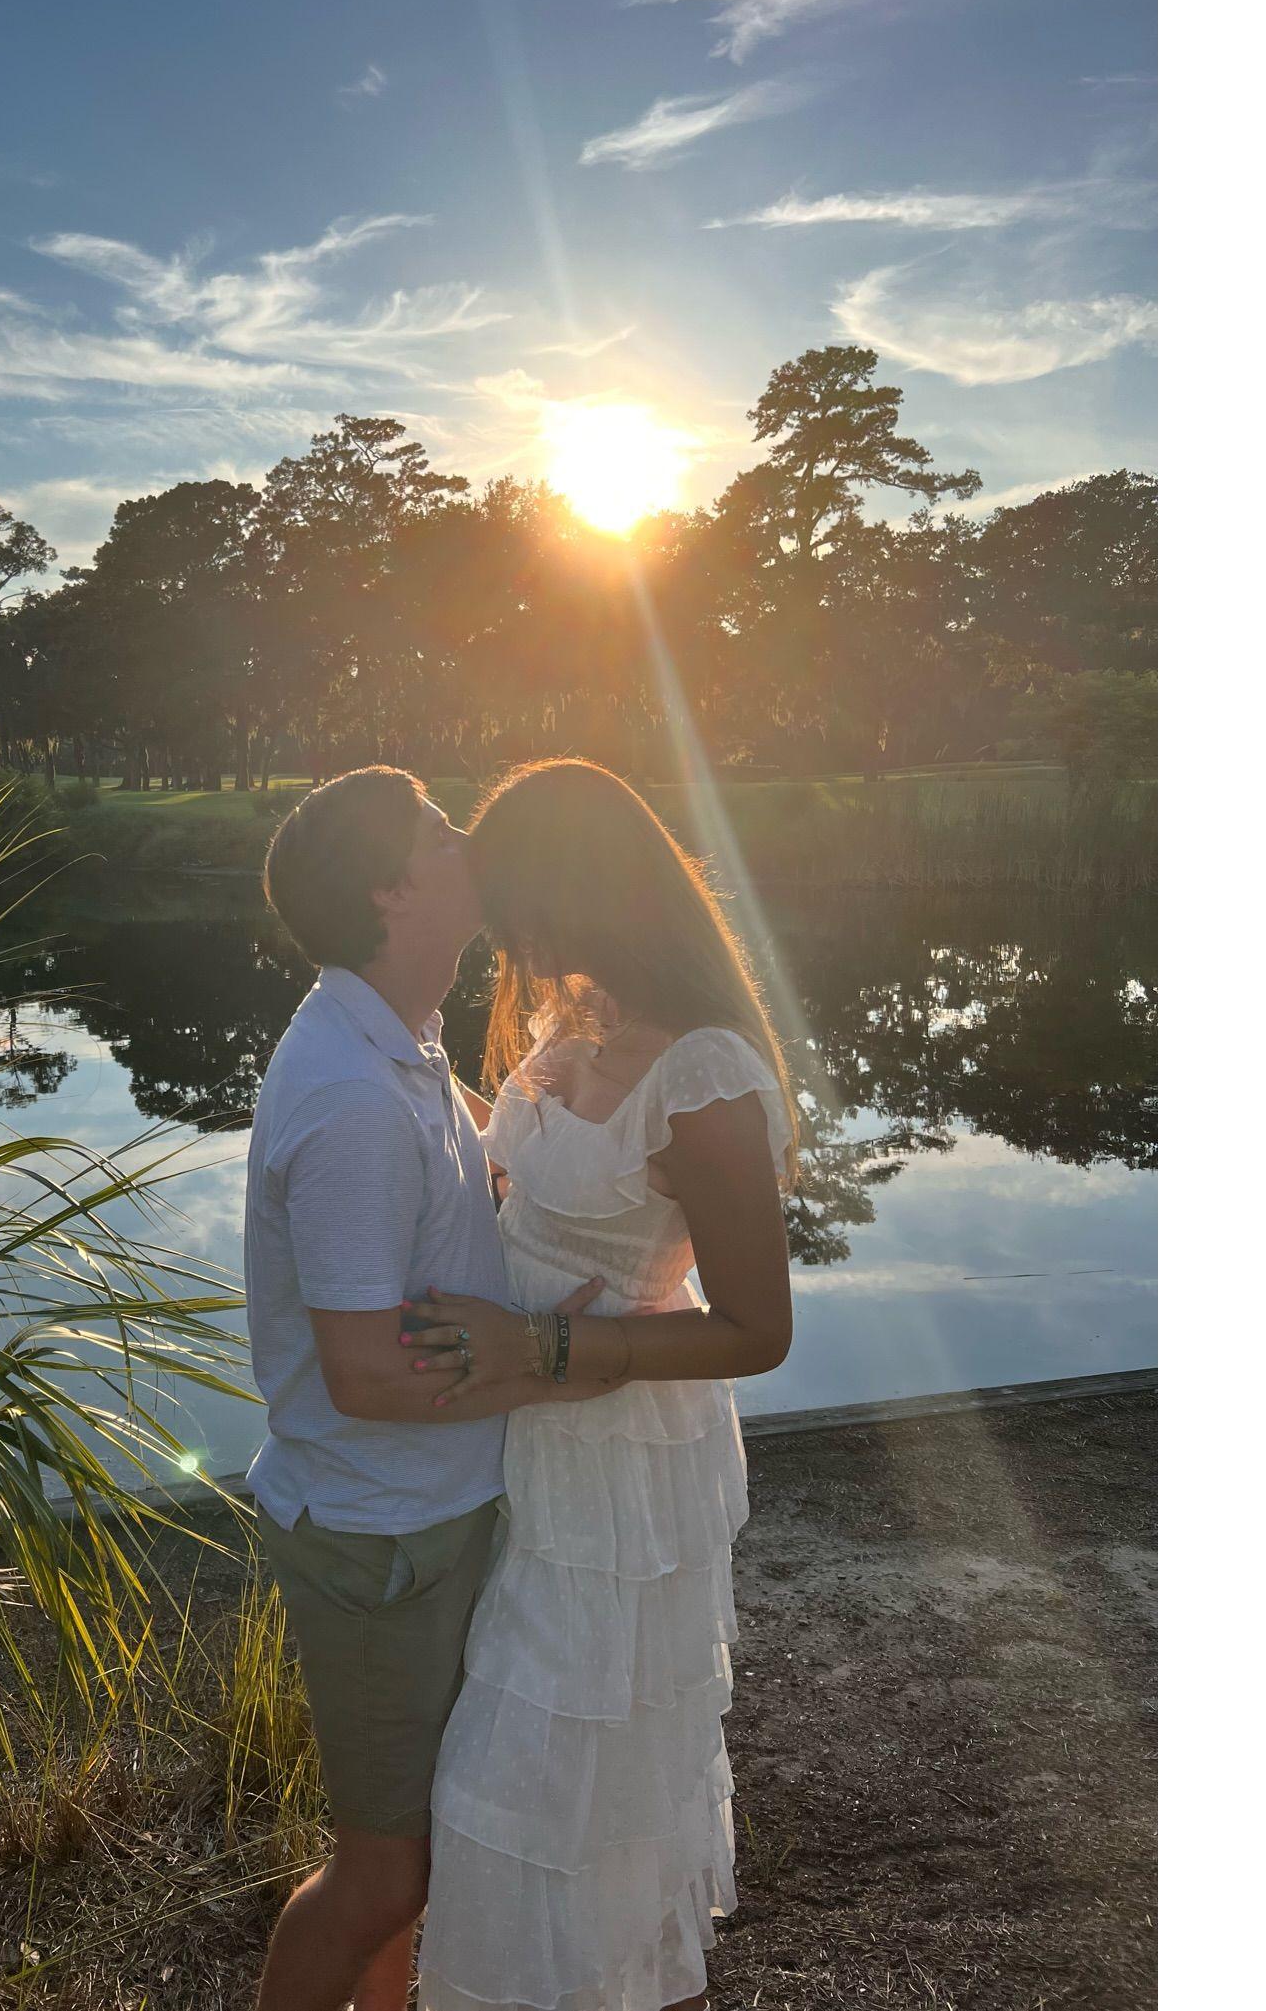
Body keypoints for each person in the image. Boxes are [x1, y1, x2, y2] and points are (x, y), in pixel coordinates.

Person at [403, 758, 799, 2011]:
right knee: (541, 1791)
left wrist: (556, 1353)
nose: (508, 936)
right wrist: (399, 1070)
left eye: (520, 901)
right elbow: (539, 1180)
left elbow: (757, 1327)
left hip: (627, 1470)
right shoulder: (579, 1025)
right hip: (534, 1449)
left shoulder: (705, 1074)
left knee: (565, 1788)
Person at [244, 766, 606, 2011]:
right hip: (381, 1532)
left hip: (428, 1508)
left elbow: (469, 1173)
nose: (474, 841)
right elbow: (356, 1373)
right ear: (396, 891)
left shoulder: (397, 1038)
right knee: (385, 1874)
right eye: (446, 832)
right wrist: (540, 1359)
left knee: (432, 1851)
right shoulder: (348, 1099)